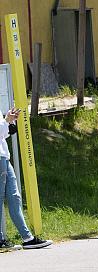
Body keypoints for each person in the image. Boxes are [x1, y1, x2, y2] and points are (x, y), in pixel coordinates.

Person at [0, 107, 52, 250]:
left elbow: (3, 133)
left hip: (4, 156)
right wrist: (7, 121)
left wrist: (10, 123)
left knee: (14, 197)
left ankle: (27, 238)